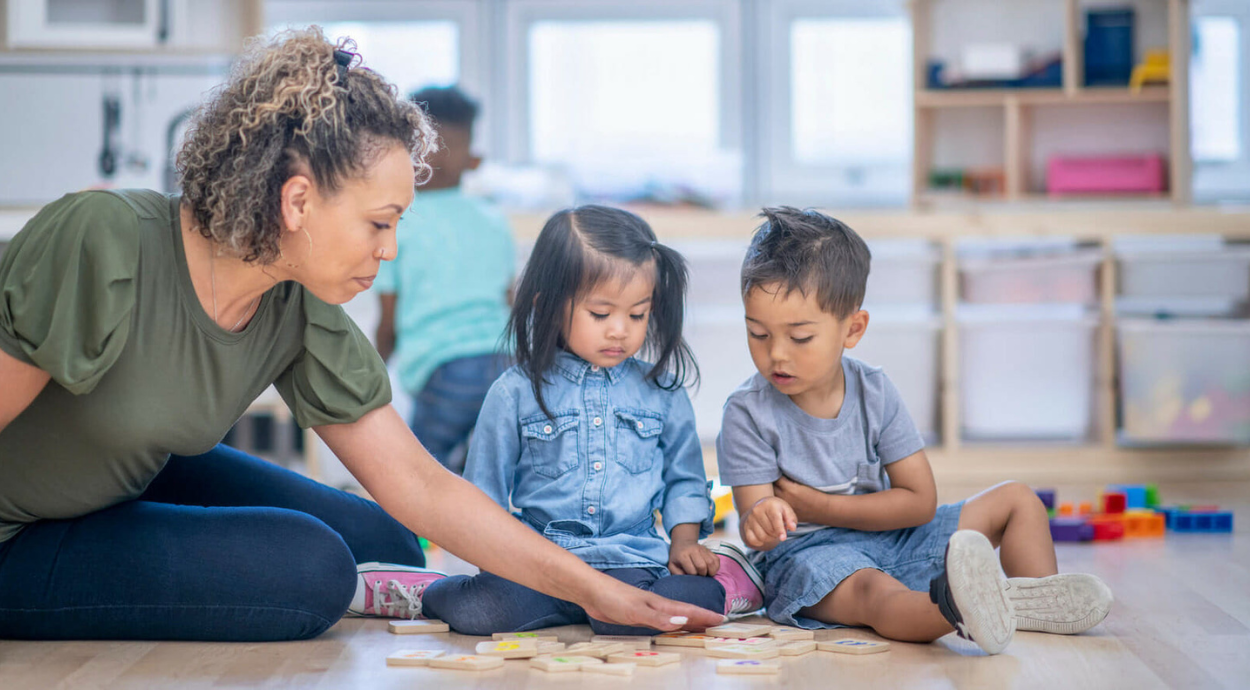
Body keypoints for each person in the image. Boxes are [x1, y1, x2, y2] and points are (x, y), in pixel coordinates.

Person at [0, 28, 722, 642]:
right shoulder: (101, 242)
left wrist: (591, 588)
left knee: (385, 542)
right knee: (313, 571)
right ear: (298, 201)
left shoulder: (295, 299)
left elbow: (418, 483)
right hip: (17, 534)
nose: (391, 249)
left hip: (126, 478)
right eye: (380, 223)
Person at [716, 207, 1113, 654]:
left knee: (1018, 500)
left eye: (800, 338)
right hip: (815, 561)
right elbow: (755, 524)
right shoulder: (747, 413)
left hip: (897, 538)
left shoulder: (875, 390)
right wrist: (762, 524)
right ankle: (957, 606)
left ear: (853, 329)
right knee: (876, 595)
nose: (777, 356)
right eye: (758, 334)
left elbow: (920, 503)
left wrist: (822, 506)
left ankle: (1030, 600)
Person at [410, 205, 766, 635]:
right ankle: (417, 589)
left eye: (637, 314)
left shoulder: (663, 391)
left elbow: (685, 479)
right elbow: (483, 491)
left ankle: (733, 574)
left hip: (629, 562)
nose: (620, 330)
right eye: (601, 314)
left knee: (680, 604)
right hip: (539, 565)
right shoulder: (513, 392)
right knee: (478, 613)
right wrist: (495, 567)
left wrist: (685, 542)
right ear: (550, 305)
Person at [374, 86, 514, 474]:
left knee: (420, 474)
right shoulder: (492, 218)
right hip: (508, 362)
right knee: (487, 471)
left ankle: (413, 537)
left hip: (445, 371)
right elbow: (510, 299)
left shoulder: (396, 222)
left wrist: (371, 373)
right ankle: (480, 532)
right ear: (474, 161)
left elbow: (389, 320)